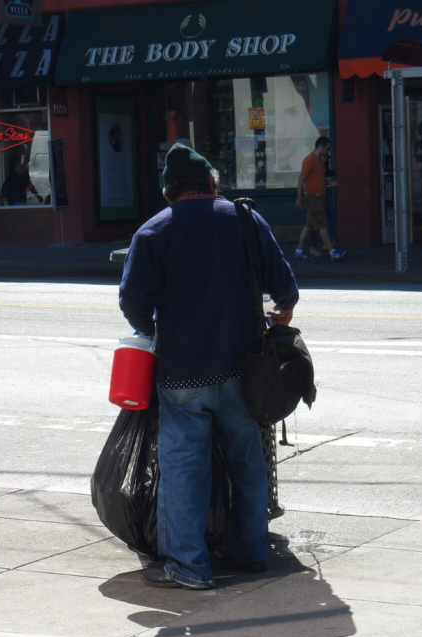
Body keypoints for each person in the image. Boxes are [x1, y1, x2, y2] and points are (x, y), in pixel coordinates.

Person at [119, 144, 299, 590]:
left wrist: (153, 329)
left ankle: (189, 566)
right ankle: (251, 551)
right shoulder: (244, 219)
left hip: (182, 372)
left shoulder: (153, 232)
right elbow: (285, 287)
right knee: (247, 461)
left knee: (184, 469)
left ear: (169, 191)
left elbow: (131, 301)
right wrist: (283, 312)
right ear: (212, 183)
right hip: (242, 369)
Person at [294, 137, 341, 261]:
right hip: (314, 197)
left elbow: (317, 179)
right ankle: (332, 251)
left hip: (319, 197)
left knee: (309, 226)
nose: (328, 152)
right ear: (320, 146)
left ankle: (299, 250)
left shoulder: (319, 162)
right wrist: (299, 198)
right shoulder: (309, 160)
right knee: (322, 224)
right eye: (327, 149)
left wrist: (329, 183)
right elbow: (301, 180)